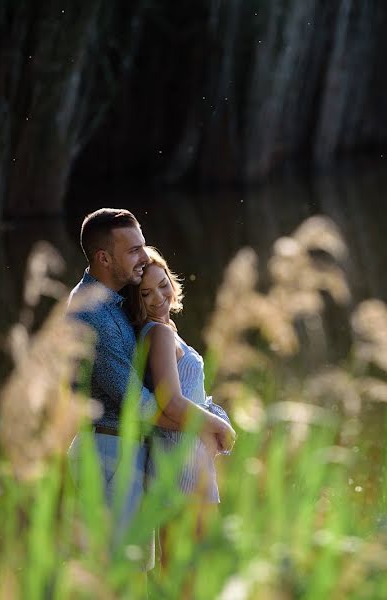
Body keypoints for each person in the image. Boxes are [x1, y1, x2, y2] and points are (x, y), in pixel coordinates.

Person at [66, 208, 235, 570]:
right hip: (108, 451)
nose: (144, 256)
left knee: (141, 573)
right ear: (104, 258)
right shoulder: (94, 315)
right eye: (133, 250)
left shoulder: (116, 303)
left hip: (130, 451)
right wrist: (211, 425)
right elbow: (143, 405)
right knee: (119, 577)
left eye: (143, 246)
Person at [123, 245, 234, 556]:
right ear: (136, 300)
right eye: (146, 294)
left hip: (182, 456)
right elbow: (170, 402)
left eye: (163, 285)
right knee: (191, 570)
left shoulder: (165, 330)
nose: (159, 298)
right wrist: (222, 427)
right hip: (181, 459)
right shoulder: (158, 333)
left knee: (184, 568)